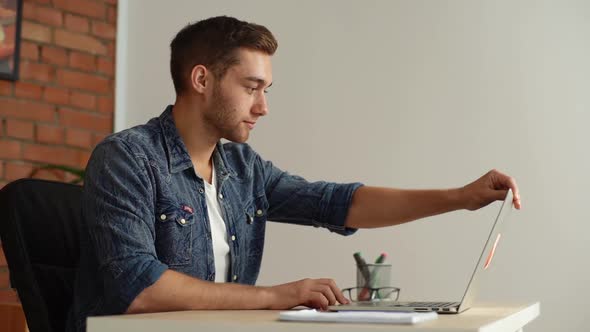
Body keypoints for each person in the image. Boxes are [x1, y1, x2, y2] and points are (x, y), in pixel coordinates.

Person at [66, 15, 521, 332]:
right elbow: (140, 288)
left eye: (266, 89)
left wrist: (461, 196)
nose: (263, 107)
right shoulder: (127, 158)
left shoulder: (242, 169)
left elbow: (339, 202)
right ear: (201, 80)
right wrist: (277, 296)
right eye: (251, 87)